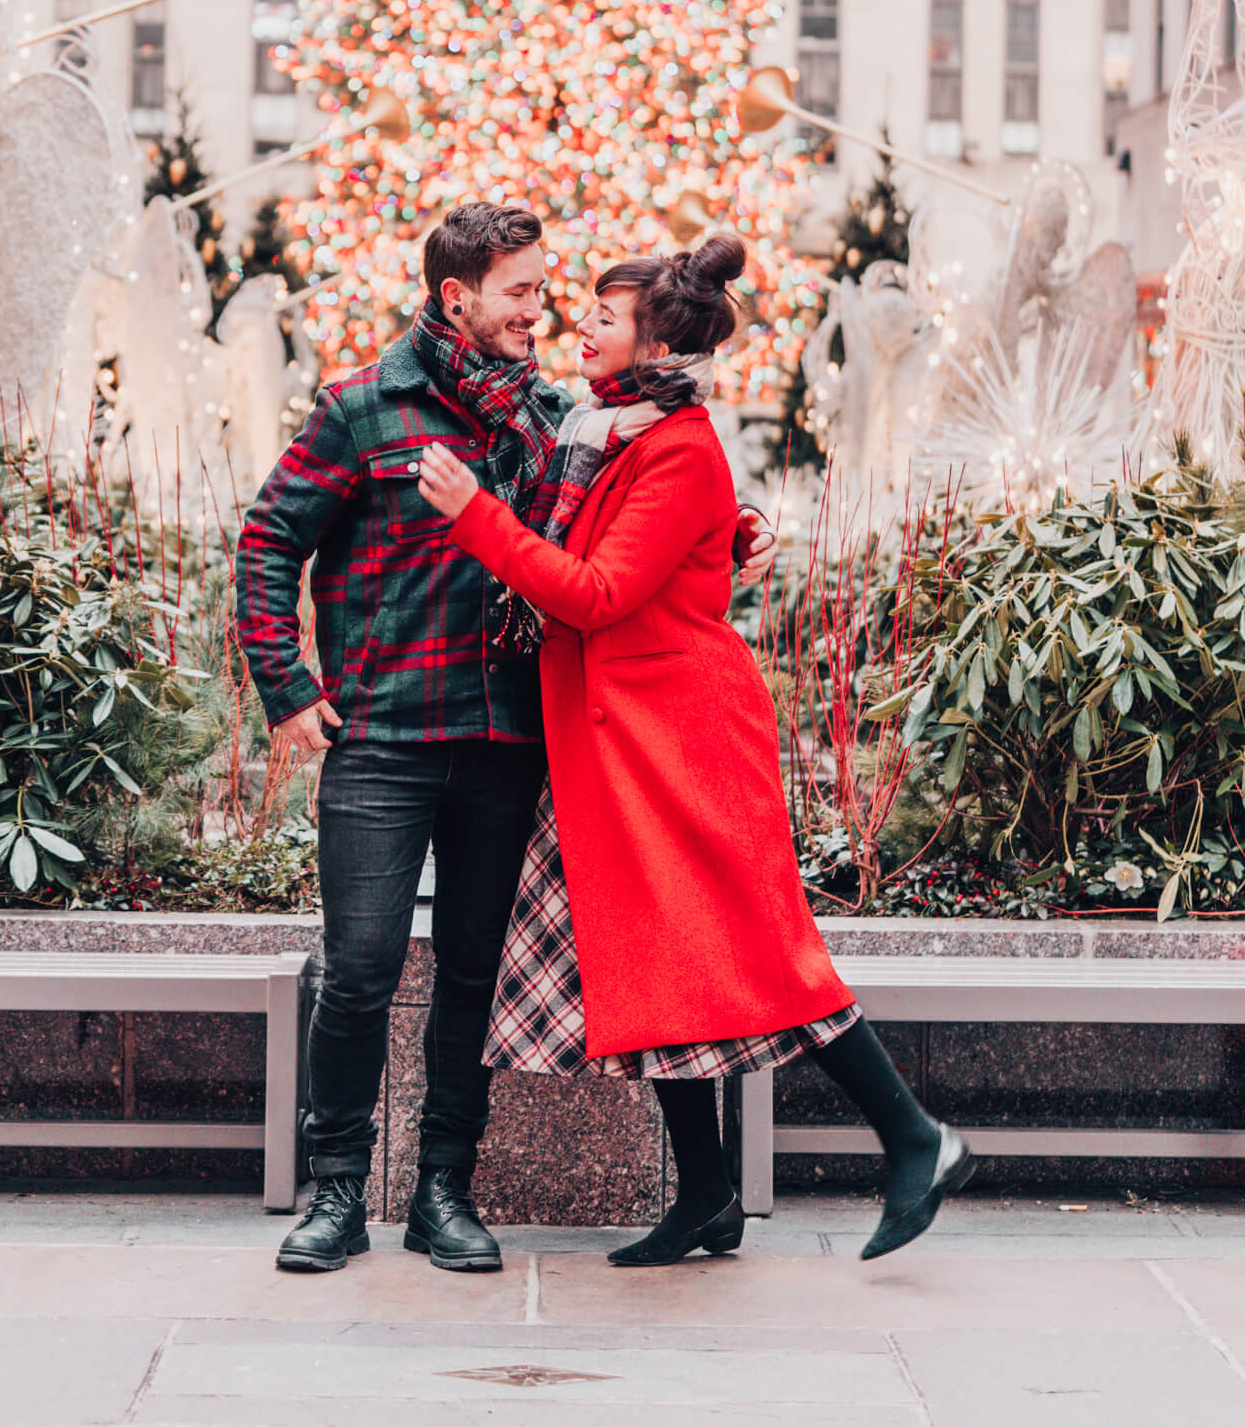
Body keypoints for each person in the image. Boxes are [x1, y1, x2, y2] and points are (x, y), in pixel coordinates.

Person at [234, 202, 776, 1275]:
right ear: (458, 299)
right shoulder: (363, 408)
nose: (542, 311)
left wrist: (731, 533)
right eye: (523, 292)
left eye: (545, 290)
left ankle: (445, 1189)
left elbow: (624, 515)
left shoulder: (554, 417)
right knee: (358, 971)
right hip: (383, 739)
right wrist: (287, 686)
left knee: (472, 974)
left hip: (509, 742)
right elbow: (268, 538)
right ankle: (336, 1193)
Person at [417, 234, 973, 1265]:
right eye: (581, 309)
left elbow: (593, 594)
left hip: (678, 743)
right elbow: (630, 545)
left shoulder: (672, 447)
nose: (581, 324)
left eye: (603, 316)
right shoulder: (607, 433)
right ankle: (707, 1196)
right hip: (618, 742)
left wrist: (474, 517)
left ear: (652, 344)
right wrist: (733, 527)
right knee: (651, 953)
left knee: (757, 952)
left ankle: (916, 1138)